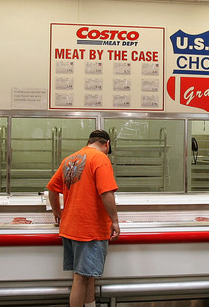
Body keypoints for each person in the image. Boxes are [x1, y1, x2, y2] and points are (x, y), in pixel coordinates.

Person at [47, 130, 120, 307]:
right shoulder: (100, 159)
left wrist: (57, 212)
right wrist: (115, 221)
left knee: (88, 275)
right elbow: (106, 193)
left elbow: (52, 188)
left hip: (70, 227)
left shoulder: (70, 159)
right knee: (80, 278)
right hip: (89, 229)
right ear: (107, 144)